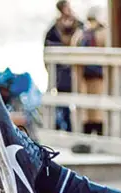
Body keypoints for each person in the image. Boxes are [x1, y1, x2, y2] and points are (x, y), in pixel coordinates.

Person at [44, 0, 84, 132]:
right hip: (62, 74)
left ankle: (76, 129)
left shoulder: (79, 26)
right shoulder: (54, 30)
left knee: (78, 103)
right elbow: (48, 51)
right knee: (63, 105)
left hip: (77, 72)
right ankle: (66, 128)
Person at [80, 7, 107, 136]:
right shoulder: (101, 33)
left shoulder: (84, 33)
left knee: (93, 110)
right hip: (95, 76)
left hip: (92, 76)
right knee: (95, 110)